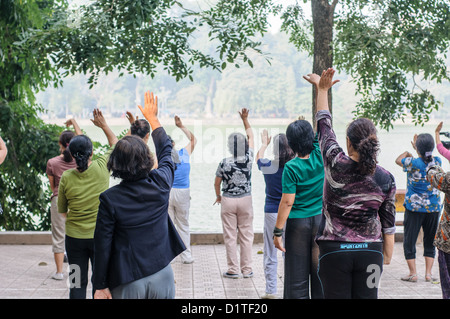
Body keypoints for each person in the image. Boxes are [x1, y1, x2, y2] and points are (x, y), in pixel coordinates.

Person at [305, 68, 396, 299]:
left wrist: (322, 89)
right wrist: (386, 254)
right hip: (371, 252)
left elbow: (323, 125)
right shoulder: (385, 178)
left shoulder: (335, 162)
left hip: (333, 252)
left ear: (348, 142)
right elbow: (388, 224)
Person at [93, 91, 185, 299]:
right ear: (147, 159)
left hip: (127, 280)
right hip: (163, 274)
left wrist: (100, 285)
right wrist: (153, 119)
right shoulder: (161, 183)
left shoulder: (109, 199)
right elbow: (166, 151)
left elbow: (102, 245)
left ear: (115, 163)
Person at [58, 109, 118, 299]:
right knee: (99, 283)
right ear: (92, 152)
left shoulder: (66, 177)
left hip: (74, 240)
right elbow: (115, 144)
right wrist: (104, 125)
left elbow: (62, 210)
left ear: (72, 156)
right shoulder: (102, 168)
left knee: (76, 284)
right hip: (99, 238)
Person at [273, 120, 324, 299]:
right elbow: (323, 124)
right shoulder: (320, 155)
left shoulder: (291, 167)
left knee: (296, 280)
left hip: (297, 226)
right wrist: (322, 91)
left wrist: (277, 232)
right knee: (320, 275)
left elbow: (287, 202)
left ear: (291, 143)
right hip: (320, 221)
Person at [214, 108, 255, 279]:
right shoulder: (249, 158)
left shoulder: (224, 163)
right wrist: (245, 120)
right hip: (245, 200)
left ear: (230, 147)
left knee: (230, 236)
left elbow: (217, 183)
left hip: (228, 200)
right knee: (246, 235)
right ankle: (247, 270)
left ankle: (233, 269)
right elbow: (251, 136)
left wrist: (218, 196)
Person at [395, 133, 442, 282]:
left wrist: (411, 151)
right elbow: (427, 158)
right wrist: (419, 149)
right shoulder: (438, 161)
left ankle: (413, 273)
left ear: (417, 148)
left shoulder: (412, 163)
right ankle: (428, 274)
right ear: (432, 148)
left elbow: (398, 159)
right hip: (433, 209)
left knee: (410, 241)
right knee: (430, 241)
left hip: (414, 209)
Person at [257, 129, 294, 299]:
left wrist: (264, 143)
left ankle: (271, 291)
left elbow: (257, 158)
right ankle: (290, 289)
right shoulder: (294, 167)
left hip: (271, 213)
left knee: (270, 253)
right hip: (291, 213)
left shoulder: (268, 166)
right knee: (290, 252)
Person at [46, 119, 82, 280]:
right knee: (77, 235)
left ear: (60, 144)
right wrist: (74, 122)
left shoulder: (52, 162)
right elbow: (82, 139)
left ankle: (60, 272)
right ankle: (76, 273)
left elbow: (52, 186)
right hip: (77, 199)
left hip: (59, 199)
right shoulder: (80, 161)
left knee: (59, 236)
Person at [168, 115, 197, 264]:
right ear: (173, 144)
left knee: (168, 225)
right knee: (183, 224)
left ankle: (169, 257)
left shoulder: (161, 158)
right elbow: (193, 140)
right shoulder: (183, 153)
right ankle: (186, 256)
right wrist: (181, 126)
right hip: (183, 192)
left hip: (167, 192)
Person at [426, 164, 450, 298]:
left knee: (448, 287)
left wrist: (432, 167)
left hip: (447, 244)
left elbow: (433, 177)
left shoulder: (448, 179)